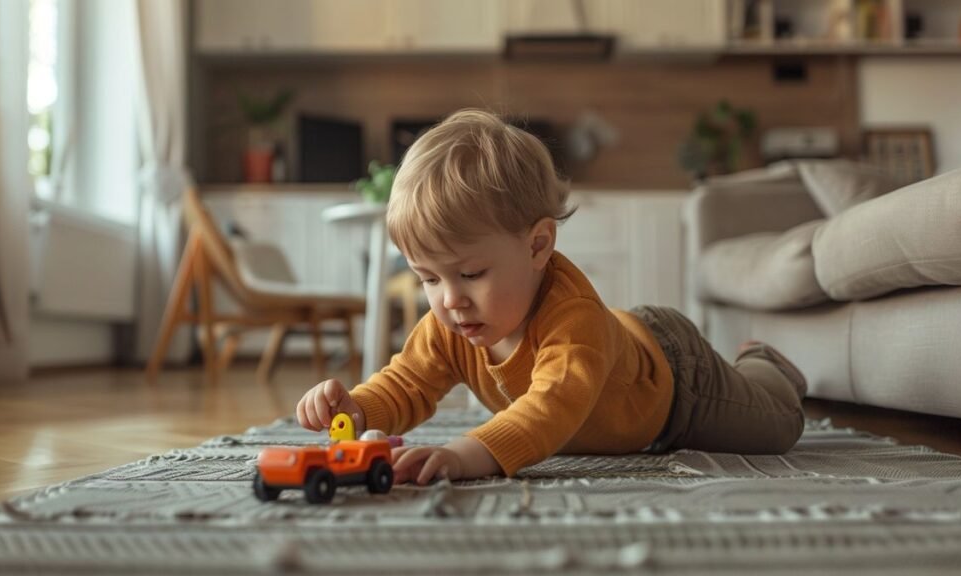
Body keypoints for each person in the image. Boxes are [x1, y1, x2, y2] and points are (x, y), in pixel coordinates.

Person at [296, 109, 806, 485]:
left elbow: (551, 407)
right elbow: (407, 385)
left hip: (676, 381)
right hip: (621, 341)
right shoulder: (452, 324)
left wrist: (465, 454)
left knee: (778, 427)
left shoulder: (570, 317)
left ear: (538, 245)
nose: (450, 299)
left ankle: (764, 363)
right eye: (428, 279)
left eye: (470, 273)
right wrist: (357, 411)